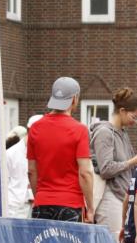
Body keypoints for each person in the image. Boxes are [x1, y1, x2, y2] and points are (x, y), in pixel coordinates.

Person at [27, 78, 94, 222]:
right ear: (74, 99)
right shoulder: (79, 130)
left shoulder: (35, 128)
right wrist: (91, 207)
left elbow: (31, 171)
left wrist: (40, 196)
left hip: (42, 202)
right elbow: (85, 173)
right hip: (70, 204)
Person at [91, 89, 137, 243]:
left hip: (121, 197)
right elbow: (106, 169)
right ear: (122, 111)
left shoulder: (122, 133)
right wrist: (132, 162)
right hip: (109, 196)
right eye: (134, 117)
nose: (136, 121)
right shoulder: (105, 133)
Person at [6, 117, 41, 218]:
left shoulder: (43, 151)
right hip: (15, 208)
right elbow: (3, 183)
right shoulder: (10, 153)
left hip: (36, 206)